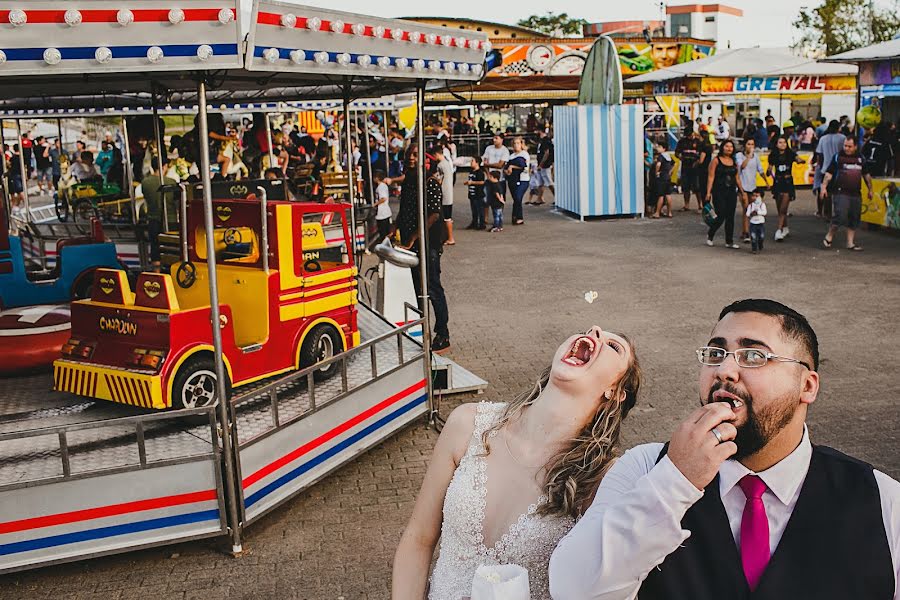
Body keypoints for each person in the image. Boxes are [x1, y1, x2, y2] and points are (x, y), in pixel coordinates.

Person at [550, 298, 900, 600]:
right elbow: (573, 590)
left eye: (753, 355)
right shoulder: (647, 467)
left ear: (806, 385)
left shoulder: (881, 499)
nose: (725, 370)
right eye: (716, 353)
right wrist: (676, 480)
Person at [394, 326, 642, 600]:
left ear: (616, 392)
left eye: (613, 346)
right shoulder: (467, 424)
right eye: (590, 330)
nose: (595, 333)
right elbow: (418, 538)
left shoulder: (601, 479)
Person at [395, 145, 451, 354]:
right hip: (411, 242)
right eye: (408, 154)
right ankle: (421, 330)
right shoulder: (409, 181)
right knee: (416, 288)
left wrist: (413, 238)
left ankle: (442, 333)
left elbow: (434, 214)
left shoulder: (430, 183)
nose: (410, 158)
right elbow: (404, 209)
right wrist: (393, 229)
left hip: (428, 243)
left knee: (432, 287)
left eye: (415, 155)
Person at [821, 136, 872, 252]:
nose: (846, 148)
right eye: (845, 146)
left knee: (854, 217)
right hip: (840, 192)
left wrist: (870, 189)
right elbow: (829, 174)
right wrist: (824, 187)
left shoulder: (861, 158)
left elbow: (866, 175)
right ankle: (829, 235)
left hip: (855, 193)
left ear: (855, 147)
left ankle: (850, 243)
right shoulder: (838, 157)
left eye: (849, 146)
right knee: (840, 215)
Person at [705, 139, 744, 248]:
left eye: (731, 147)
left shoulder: (734, 162)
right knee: (721, 214)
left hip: (731, 191)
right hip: (718, 191)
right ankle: (710, 234)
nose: (729, 148)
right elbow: (711, 177)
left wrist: (742, 191)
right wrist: (708, 192)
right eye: (726, 146)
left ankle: (729, 241)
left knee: (730, 216)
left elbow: (737, 178)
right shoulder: (716, 161)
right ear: (722, 147)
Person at [141, 158, 176, 272]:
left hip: (152, 218)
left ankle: (157, 274)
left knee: (155, 246)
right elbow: (176, 200)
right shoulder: (171, 182)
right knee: (171, 247)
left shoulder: (145, 182)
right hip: (170, 219)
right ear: (164, 166)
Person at [766, 137, 805, 242]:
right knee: (779, 207)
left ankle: (779, 230)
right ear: (776, 144)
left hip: (787, 182)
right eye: (780, 142)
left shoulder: (790, 154)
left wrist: (800, 161)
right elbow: (769, 168)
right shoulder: (773, 155)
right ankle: (785, 228)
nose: (782, 144)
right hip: (778, 182)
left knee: (783, 208)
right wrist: (769, 172)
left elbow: (798, 159)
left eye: (784, 142)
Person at [736, 139, 769, 243]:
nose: (751, 146)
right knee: (746, 208)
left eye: (752, 144)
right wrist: (749, 156)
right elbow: (742, 166)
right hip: (742, 186)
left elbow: (760, 170)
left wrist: (766, 182)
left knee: (752, 209)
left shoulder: (756, 157)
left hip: (752, 186)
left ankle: (747, 230)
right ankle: (746, 232)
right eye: (748, 144)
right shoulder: (739, 156)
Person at [812, 120, 845, 218]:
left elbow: (820, 155)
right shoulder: (842, 138)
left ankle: (827, 213)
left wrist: (821, 167)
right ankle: (838, 212)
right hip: (839, 168)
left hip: (825, 168)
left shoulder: (823, 138)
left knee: (826, 192)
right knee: (839, 192)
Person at [675, 126, 703, 211]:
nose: (688, 137)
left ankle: (700, 205)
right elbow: (677, 152)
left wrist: (698, 161)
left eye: (689, 135)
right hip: (685, 166)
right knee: (686, 186)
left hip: (695, 167)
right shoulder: (682, 142)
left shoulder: (698, 142)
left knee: (697, 187)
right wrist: (679, 155)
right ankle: (686, 205)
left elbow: (702, 154)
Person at [506, 136, 530, 225]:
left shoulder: (524, 154)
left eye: (518, 143)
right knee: (515, 198)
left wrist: (512, 167)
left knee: (518, 197)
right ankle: (515, 216)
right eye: (514, 143)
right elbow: (506, 166)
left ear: (521, 144)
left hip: (523, 179)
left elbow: (523, 166)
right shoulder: (511, 156)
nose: (516, 145)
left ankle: (519, 217)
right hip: (513, 179)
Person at [482, 133, 510, 206]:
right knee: (486, 200)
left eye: (496, 138)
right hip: (488, 178)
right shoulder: (488, 148)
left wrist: (488, 164)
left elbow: (500, 165)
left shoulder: (505, 150)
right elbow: (484, 162)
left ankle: (499, 215)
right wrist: (488, 174)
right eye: (493, 138)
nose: (494, 140)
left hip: (500, 179)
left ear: (501, 139)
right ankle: (486, 217)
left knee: (499, 199)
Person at [530, 129, 554, 206]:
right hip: (541, 165)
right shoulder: (541, 141)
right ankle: (539, 198)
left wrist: (541, 164)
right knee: (541, 182)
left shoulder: (546, 140)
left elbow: (546, 153)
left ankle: (557, 196)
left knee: (549, 182)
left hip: (545, 165)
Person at [437, 147, 455, 245]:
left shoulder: (440, 165)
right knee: (448, 216)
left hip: (444, 194)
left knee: (446, 217)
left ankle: (450, 238)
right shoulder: (447, 163)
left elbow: (439, 180)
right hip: (449, 194)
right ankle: (448, 237)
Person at [653, 142, 675, 218]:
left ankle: (657, 212)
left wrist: (657, 172)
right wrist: (670, 171)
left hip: (662, 177)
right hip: (668, 177)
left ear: (664, 148)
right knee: (668, 195)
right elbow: (674, 164)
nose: (657, 148)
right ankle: (669, 212)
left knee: (661, 195)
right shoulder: (668, 156)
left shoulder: (661, 156)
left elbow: (658, 164)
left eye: (659, 146)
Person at [371, 170, 392, 245]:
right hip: (384, 212)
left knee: (383, 231)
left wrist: (375, 204)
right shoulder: (383, 186)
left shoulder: (381, 187)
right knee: (385, 230)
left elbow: (383, 198)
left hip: (382, 212)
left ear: (377, 178)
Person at [466, 156, 486, 230]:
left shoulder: (480, 172)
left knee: (480, 209)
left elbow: (482, 182)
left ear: (477, 163)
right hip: (472, 194)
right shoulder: (471, 171)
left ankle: (482, 224)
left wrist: (472, 182)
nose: (471, 163)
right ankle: (474, 222)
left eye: (472, 161)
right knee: (474, 209)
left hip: (478, 194)